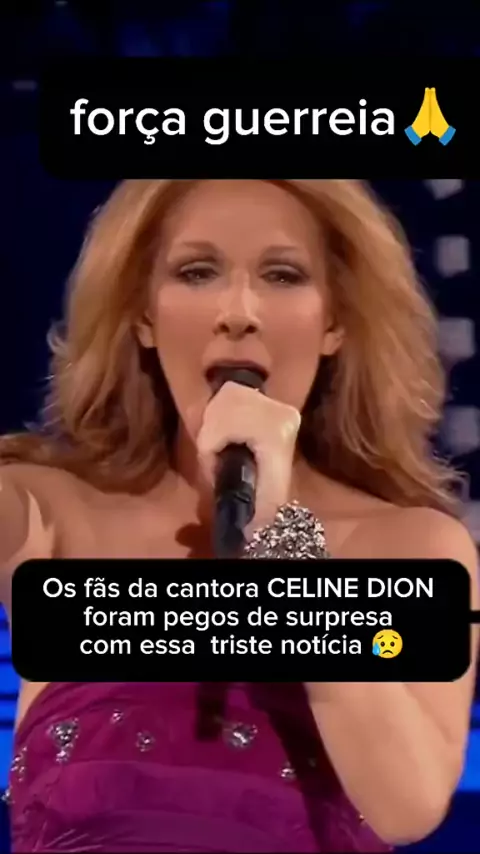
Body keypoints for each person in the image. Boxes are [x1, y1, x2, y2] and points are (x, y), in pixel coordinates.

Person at [0, 178, 478, 853]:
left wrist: (283, 536)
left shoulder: (411, 547)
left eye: (282, 275)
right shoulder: (45, 512)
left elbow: (407, 804)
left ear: (335, 323)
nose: (239, 312)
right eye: (197, 272)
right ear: (143, 314)